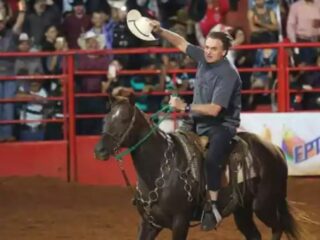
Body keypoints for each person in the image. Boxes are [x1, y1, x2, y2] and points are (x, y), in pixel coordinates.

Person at [149, 19, 242, 231]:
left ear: (224, 52)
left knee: (211, 160)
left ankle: (213, 206)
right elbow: (181, 43)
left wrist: (185, 106)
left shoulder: (228, 73)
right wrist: (160, 30)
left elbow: (215, 109)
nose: (207, 52)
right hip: (197, 121)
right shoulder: (203, 57)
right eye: (206, 47)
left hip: (221, 125)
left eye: (213, 49)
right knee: (173, 146)